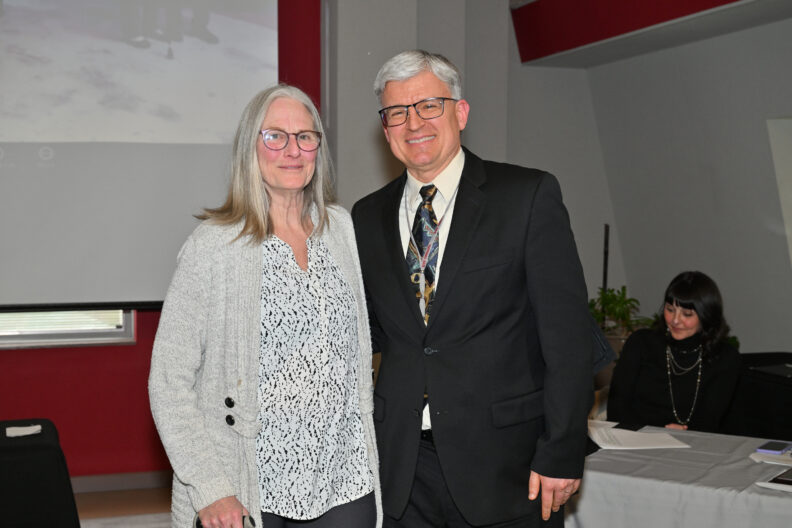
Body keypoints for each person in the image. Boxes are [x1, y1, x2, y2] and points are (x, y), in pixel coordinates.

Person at [351, 50, 593, 528]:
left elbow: (568, 340)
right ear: (385, 128)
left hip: (507, 467)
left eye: (428, 106)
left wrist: (562, 450)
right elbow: (369, 333)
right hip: (401, 467)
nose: (413, 122)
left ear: (459, 112)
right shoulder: (364, 216)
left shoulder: (526, 196)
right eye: (396, 112)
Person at [149, 85, 382, 528]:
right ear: (249, 148)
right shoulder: (213, 246)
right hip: (245, 482)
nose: (292, 150)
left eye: (305, 137)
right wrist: (211, 489)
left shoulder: (342, 229)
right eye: (274, 136)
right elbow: (168, 381)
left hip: (344, 475)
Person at [608, 271, 741, 432]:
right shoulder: (640, 344)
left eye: (687, 314)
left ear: (707, 315)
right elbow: (616, 409)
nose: (675, 320)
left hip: (691, 446)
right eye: (670, 309)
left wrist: (687, 433)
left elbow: (709, 422)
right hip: (632, 440)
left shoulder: (725, 357)